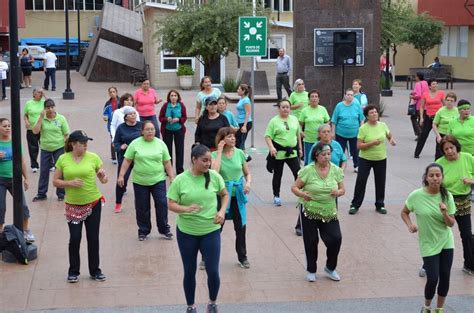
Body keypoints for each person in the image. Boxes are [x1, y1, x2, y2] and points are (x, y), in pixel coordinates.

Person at [167, 144, 229, 313]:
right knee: (189, 270)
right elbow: (171, 204)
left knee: (213, 271)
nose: (208, 164)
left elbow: (224, 195)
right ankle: (191, 306)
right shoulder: (180, 180)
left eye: (209, 160)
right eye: (204, 160)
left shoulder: (215, 177)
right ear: (194, 160)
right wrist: (186, 209)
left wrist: (222, 211)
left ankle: (212, 303)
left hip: (210, 231)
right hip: (187, 233)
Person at [53, 130, 109, 283]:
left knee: (93, 237)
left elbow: (104, 180)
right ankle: (73, 271)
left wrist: (103, 177)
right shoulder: (63, 159)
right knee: (75, 238)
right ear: (73, 144)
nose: (85, 146)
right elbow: (55, 181)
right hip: (73, 206)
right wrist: (68, 183)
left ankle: (95, 270)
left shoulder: (93, 158)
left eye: (86, 143)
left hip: (93, 203)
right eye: (82, 143)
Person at [401, 163, 456, 313]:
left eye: (438, 175)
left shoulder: (447, 196)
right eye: (431, 175)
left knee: (445, 276)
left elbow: (451, 224)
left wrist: (445, 213)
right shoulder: (416, 195)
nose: (434, 178)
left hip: (446, 241)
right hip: (427, 243)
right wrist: (410, 225)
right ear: (426, 178)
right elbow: (404, 212)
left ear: (442, 178)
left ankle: (439, 309)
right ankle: (426, 306)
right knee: (432, 278)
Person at [291, 142, 345, 282]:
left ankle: (330, 267)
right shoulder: (308, 170)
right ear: (316, 155)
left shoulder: (335, 170)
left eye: (329, 154)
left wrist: (338, 192)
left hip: (329, 211)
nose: (327, 157)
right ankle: (311, 270)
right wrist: (303, 195)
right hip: (309, 210)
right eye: (323, 154)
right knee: (311, 240)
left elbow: (343, 189)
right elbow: (295, 187)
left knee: (336, 239)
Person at [117, 120, 174, 241]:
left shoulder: (160, 144)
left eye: (152, 129)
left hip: (158, 180)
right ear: (142, 131)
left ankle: (164, 229)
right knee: (142, 207)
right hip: (140, 181)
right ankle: (143, 230)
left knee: (162, 204)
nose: (150, 131)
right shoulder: (135, 144)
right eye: (147, 129)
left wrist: (171, 177)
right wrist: (121, 175)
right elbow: (127, 160)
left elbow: (167, 162)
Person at [212, 127, 251, 268]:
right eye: (229, 137)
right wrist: (220, 151)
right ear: (222, 140)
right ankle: (207, 257)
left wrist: (248, 183)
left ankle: (242, 257)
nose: (233, 139)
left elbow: (247, 173)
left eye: (233, 136)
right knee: (216, 227)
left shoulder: (240, 153)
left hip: (238, 195)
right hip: (222, 196)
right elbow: (214, 172)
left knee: (240, 227)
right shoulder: (215, 155)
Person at [436, 136, 474, 275]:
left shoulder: (468, 157)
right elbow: (434, 182)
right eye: (446, 149)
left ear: (457, 147)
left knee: (466, 235)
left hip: (463, 202)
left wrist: (471, 180)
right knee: (439, 233)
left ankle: (469, 264)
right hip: (446, 202)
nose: (450, 151)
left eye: (451, 148)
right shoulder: (439, 163)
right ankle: (429, 264)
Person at [265, 99, 303, 236]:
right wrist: (271, 148)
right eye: (283, 107)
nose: (285, 109)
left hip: (292, 151)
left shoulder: (294, 119)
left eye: (287, 107)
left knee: (298, 173)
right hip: (279, 152)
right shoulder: (274, 121)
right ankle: (276, 195)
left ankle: (300, 193)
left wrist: (300, 148)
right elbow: (268, 136)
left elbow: (298, 134)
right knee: (278, 174)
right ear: (279, 108)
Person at [349, 105, 396, 215]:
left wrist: (392, 140)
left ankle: (380, 204)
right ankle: (355, 205)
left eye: (375, 112)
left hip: (381, 158)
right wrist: (371, 143)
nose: (374, 114)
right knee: (361, 181)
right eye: (371, 113)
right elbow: (359, 146)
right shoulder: (363, 128)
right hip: (365, 158)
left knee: (380, 181)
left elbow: (389, 135)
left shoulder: (383, 125)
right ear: (367, 116)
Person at [0, 118, 35, 242]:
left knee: (23, 206)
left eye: (9, 126)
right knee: (1, 207)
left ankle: (26, 231)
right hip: (1, 180)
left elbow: (22, 161)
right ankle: (0, 233)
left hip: (14, 179)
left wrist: (26, 178)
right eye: (5, 126)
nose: (8, 128)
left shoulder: (14, 142)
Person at [32, 99, 69, 202]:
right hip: (45, 148)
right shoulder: (42, 119)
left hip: (59, 147)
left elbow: (66, 134)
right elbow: (35, 131)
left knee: (60, 170)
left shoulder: (61, 118)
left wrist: (67, 146)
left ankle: (61, 193)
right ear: (44, 109)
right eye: (48, 107)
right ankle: (41, 193)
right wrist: (40, 117)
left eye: (52, 107)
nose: (50, 109)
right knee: (44, 171)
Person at [113, 106, 142, 213]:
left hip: (139, 157)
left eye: (134, 113)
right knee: (122, 180)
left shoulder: (141, 125)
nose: (133, 115)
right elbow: (116, 142)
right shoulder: (121, 128)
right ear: (125, 117)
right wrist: (120, 147)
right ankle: (118, 203)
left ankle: (140, 203)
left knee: (142, 181)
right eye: (130, 114)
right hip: (126, 158)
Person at [331, 88, 364, 172]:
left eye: (351, 95)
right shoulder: (339, 106)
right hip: (340, 133)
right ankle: (339, 166)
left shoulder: (357, 105)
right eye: (348, 94)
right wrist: (332, 132)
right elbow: (334, 120)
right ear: (345, 96)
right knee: (340, 150)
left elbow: (361, 118)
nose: (349, 96)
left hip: (354, 133)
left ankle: (356, 165)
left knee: (355, 150)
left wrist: (361, 129)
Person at [414, 79, 446, 159]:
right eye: (433, 84)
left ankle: (439, 154)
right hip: (429, 117)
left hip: (439, 117)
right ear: (429, 86)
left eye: (436, 84)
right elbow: (421, 107)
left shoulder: (441, 93)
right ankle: (417, 153)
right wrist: (421, 118)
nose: (435, 86)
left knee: (440, 135)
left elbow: (445, 105)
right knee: (423, 134)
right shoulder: (425, 94)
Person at [158, 89, 187, 175]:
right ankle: (168, 170)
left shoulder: (181, 105)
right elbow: (160, 118)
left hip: (179, 130)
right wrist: (167, 119)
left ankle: (180, 170)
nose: (173, 97)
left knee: (179, 150)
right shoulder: (165, 106)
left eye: (175, 95)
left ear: (178, 97)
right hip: (167, 130)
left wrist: (178, 119)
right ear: (169, 97)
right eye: (172, 96)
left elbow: (184, 117)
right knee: (167, 150)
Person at [299, 89, 330, 165]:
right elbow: (300, 124)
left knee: (321, 159)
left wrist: (327, 132)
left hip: (321, 140)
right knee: (308, 160)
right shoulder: (305, 111)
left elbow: (328, 122)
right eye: (312, 97)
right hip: (308, 139)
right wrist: (301, 131)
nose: (314, 98)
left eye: (316, 96)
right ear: (309, 99)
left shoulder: (323, 109)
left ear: (319, 99)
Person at [23, 88, 46, 172]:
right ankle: (34, 165)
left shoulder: (44, 102)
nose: (40, 94)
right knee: (33, 147)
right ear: (34, 94)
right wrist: (26, 121)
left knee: (45, 145)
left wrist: (45, 95)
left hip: (43, 128)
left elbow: (51, 105)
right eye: (39, 92)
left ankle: (50, 164)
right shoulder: (29, 103)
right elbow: (25, 114)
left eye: (41, 92)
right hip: (31, 128)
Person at [432, 92, 459, 160]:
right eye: (448, 100)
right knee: (440, 155)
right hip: (442, 135)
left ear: (454, 102)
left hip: (452, 136)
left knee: (452, 154)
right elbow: (434, 124)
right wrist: (438, 136)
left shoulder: (457, 111)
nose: (449, 102)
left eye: (451, 101)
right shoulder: (441, 111)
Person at [102, 87, 120, 164]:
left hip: (120, 124)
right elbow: (105, 113)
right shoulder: (108, 103)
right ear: (109, 94)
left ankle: (121, 156)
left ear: (116, 92)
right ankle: (114, 157)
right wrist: (105, 117)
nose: (112, 93)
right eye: (111, 92)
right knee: (113, 140)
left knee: (122, 139)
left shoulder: (121, 102)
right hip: (112, 124)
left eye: (114, 92)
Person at [409, 72, 429, 140]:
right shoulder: (425, 83)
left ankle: (419, 133)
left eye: (416, 76)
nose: (415, 78)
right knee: (421, 119)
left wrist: (412, 97)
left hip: (418, 104)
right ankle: (421, 134)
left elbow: (419, 95)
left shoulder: (418, 84)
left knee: (413, 118)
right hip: (425, 104)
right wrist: (414, 92)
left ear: (418, 77)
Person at [235, 84, 252, 151]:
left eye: (239, 89)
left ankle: (245, 158)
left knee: (240, 143)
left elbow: (247, 112)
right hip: (239, 123)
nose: (237, 90)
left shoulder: (246, 100)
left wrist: (244, 126)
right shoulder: (242, 98)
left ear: (243, 91)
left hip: (244, 123)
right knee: (238, 142)